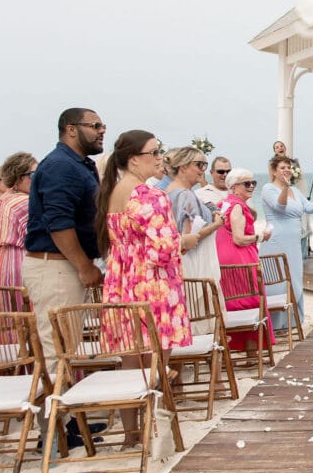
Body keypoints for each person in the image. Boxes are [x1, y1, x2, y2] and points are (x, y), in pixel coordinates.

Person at [95, 130, 192, 446]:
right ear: (134, 158)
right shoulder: (149, 195)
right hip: (152, 285)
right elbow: (163, 249)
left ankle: (131, 434)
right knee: (156, 364)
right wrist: (183, 240)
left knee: (129, 362)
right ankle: (156, 430)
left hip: (121, 282)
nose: (160, 156)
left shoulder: (111, 192)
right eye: (155, 151)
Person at [23, 108, 106, 370]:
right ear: (71, 129)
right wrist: (84, 266)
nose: (101, 131)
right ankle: (55, 410)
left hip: (65, 265)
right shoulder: (61, 166)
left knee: (65, 347)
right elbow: (58, 222)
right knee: (57, 350)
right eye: (95, 125)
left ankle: (60, 408)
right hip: (57, 266)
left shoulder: (78, 164)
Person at [259, 155, 313, 327]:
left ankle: (293, 321)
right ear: (273, 171)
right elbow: (279, 207)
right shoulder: (268, 188)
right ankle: (275, 325)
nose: (287, 170)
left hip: (293, 244)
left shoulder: (295, 190)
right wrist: (285, 188)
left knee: (294, 278)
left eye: (288, 167)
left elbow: (310, 208)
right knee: (278, 281)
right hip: (276, 242)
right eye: (282, 167)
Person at [164, 148, 224, 332]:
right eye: (199, 165)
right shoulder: (185, 195)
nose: (203, 170)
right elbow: (190, 236)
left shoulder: (167, 192)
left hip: (177, 261)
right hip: (195, 261)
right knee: (201, 316)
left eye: (205, 165)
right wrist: (216, 223)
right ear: (183, 167)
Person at [215, 168, 274, 351]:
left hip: (223, 256)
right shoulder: (238, 206)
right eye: (246, 184)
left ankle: (236, 347)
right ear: (233, 187)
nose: (251, 187)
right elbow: (238, 238)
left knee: (232, 301)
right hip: (240, 258)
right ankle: (250, 350)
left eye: (253, 183)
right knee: (250, 300)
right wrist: (260, 237)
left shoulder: (225, 203)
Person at [0, 152, 38, 290]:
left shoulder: (5, 199)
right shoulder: (24, 202)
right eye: (33, 175)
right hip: (21, 263)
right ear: (18, 178)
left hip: (6, 261)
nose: (37, 179)